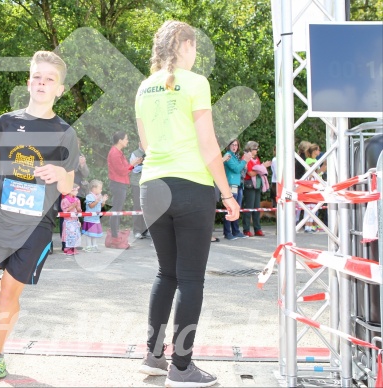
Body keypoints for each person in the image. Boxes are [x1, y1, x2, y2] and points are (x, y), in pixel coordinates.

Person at [135, 20, 240, 387]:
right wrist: (227, 194)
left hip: (152, 186)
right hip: (191, 186)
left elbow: (147, 145)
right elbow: (209, 145)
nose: (196, 54)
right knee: (191, 278)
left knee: (167, 273)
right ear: (183, 45)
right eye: (194, 47)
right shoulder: (195, 83)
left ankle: (153, 356)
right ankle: (182, 366)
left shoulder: (144, 87)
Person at [0, 51, 79, 381]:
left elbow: (70, 184)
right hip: (1, 219)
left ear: (60, 89)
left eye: (50, 79)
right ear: (28, 81)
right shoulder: (5, 121)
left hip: (36, 227)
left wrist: (58, 170)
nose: (42, 83)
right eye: (37, 77)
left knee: (12, 297)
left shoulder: (64, 132)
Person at [107, 131, 142, 246]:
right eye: (126, 139)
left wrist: (134, 163)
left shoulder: (118, 152)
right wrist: (133, 164)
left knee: (117, 209)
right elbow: (122, 171)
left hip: (120, 184)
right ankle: (114, 237)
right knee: (116, 210)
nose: (127, 141)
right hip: (118, 184)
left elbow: (125, 168)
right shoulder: (115, 153)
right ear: (120, 140)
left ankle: (115, 235)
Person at [222, 139, 251, 240]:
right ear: (229, 146)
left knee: (236, 208)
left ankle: (236, 231)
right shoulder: (228, 155)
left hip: (238, 185)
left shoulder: (235, 156)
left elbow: (241, 170)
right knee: (230, 209)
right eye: (232, 145)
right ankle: (227, 233)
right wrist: (244, 161)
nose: (234, 147)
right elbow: (236, 169)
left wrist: (244, 163)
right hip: (231, 185)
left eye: (236, 145)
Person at [242, 141, 271, 237]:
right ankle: (246, 229)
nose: (257, 151)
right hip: (249, 185)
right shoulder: (246, 158)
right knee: (249, 208)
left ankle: (257, 229)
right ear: (250, 149)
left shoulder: (256, 159)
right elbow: (250, 173)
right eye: (255, 149)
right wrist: (262, 167)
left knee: (257, 208)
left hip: (257, 185)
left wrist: (259, 169)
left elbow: (257, 171)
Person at [303, 143, 325, 233]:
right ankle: (307, 226)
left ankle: (312, 225)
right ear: (314, 151)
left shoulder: (315, 160)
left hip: (316, 184)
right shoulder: (309, 160)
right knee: (309, 206)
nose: (319, 151)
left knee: (313, 206)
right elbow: (312, 170)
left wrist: (322, 171)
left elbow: (317, 173)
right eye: (318, 150)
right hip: (310, 185)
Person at [82, 179, 108, 253]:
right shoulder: (89, 196)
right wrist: (97, 200)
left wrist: (104, 201)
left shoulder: (99, 196)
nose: (101, 190)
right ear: (94, 188)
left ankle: (94, 245)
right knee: (89, 233)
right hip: (89, 219)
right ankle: (88, 246)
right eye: (100, 188)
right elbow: (91, 206)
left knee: (95, 233)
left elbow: (102, 205)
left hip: (96, 218)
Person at [130, 142, 149, 239]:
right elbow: (134, 169)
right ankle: (137, 230)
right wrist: (146, 165)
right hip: (137, 184)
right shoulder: (134, 153)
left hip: (148, 183)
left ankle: (145, 230)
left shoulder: (149, 152)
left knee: (147, 207)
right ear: (139, 143)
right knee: (137, 206)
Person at [60, 184, 82, 256]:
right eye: (76, 190)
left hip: (75, 220)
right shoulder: (65, 200)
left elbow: (79, 210)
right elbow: (64, 211)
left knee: (75, 235)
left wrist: (78, 208)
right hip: (68, 221)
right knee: (69, 235)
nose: (77, 192)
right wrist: (72, 206)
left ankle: (73, 248)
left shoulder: (77, 200)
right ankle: (69, 248)